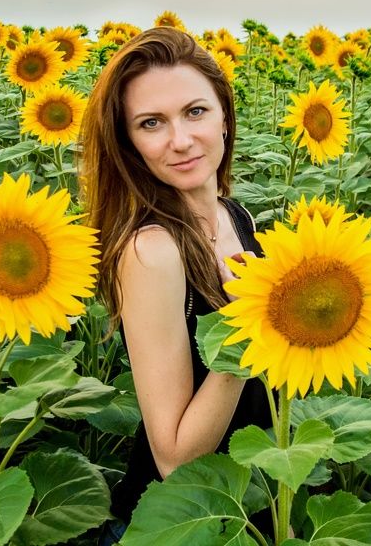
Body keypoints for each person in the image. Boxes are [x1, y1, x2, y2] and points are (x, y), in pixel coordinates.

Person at [80, 27, 271, 542]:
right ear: (129, 143)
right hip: (176, 523)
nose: (181, 140)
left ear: (225, 116)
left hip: (252, 506)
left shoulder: (238, 217)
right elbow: (175, 459)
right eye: (151, 123)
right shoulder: (152, 252)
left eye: (195, 111)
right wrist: (247, 329)